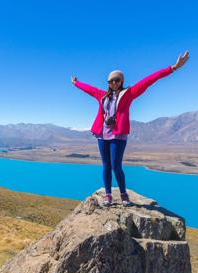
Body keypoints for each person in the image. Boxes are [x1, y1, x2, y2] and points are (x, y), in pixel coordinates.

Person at [71, 51, 189, 206]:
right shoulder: (102, 96)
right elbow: (88, 89)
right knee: (106, 166)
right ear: (108, 82)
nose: (114, 83)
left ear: (121, 81)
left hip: (118, 136)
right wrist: (76, 83)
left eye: (117, 80)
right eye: (111, 81)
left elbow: (149, 80)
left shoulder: (129, 94)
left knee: (116, 166)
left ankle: (123, 194)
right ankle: (108, 195)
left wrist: (173, 68)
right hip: (102, 135)